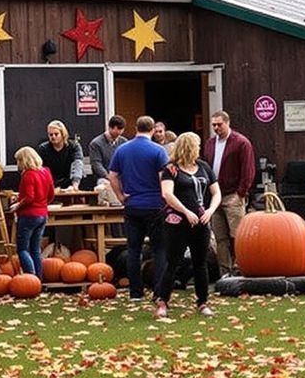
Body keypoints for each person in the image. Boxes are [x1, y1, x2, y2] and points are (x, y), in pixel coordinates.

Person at [157, 133, 221, 320]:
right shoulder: (171, 169)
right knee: (172, 262)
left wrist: (210, 210)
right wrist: (185, 211)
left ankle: (202, 301)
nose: (200, 149)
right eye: (197, 146)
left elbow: (216, 192)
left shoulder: (203, 167)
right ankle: (163, 300)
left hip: (201, 221)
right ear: (190, 147)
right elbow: (167, 194)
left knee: (200, 263)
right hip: (177, 222)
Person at [106, 115, 170, 303]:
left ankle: (135, 292)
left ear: (135, 128)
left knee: (133, 249)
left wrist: (120, 196)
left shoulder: (122, 149)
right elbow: (162, 177)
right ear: (152, 130)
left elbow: (112, 175)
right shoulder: (158, 151)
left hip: (132, 205)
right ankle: (159, 292)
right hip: (155, 205)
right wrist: (165, 198)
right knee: (159, 249)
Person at [206, 110, 257, 276]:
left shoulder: (241, 143)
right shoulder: (210, 144)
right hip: (215, 195)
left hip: (232, 194)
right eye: (214, 125)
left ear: (228, 123)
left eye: (219, 124)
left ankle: (239, 268)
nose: (216, 128)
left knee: (237, 236)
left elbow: (248, 170)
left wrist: (241, 192)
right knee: (220, 237)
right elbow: (206, 166)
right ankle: (225, 271)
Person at [9, 146, 54, 278]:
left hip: (28, 215)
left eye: (18, 161)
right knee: (35, 248)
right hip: (42, 214)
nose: (18, 164)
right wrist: (42, 203)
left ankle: (30, 277)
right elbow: (50, 194)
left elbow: (29, 197)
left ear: (24, 160)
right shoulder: (46, 171)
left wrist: (17, 205)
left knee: (22, 248)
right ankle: (38, 279)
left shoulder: (28, 175)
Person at [35, 121, 83, 191]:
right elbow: (39, 168)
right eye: (51, 135)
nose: (53, 137)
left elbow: (77, 163)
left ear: (63, 134)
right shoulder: (43, 148)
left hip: (70, 181)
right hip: (50, 184)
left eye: (56, 134)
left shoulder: (74, 146)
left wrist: (75, 184)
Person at [85, 116, 127, 188]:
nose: (119, 132)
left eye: (121, 129)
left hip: (120, 177)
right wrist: (109, 176)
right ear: (110, 127)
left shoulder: (124, 142)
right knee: (104, 186)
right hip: (103, 178)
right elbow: (96, 164)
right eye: (118, 129)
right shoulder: (96, 143)